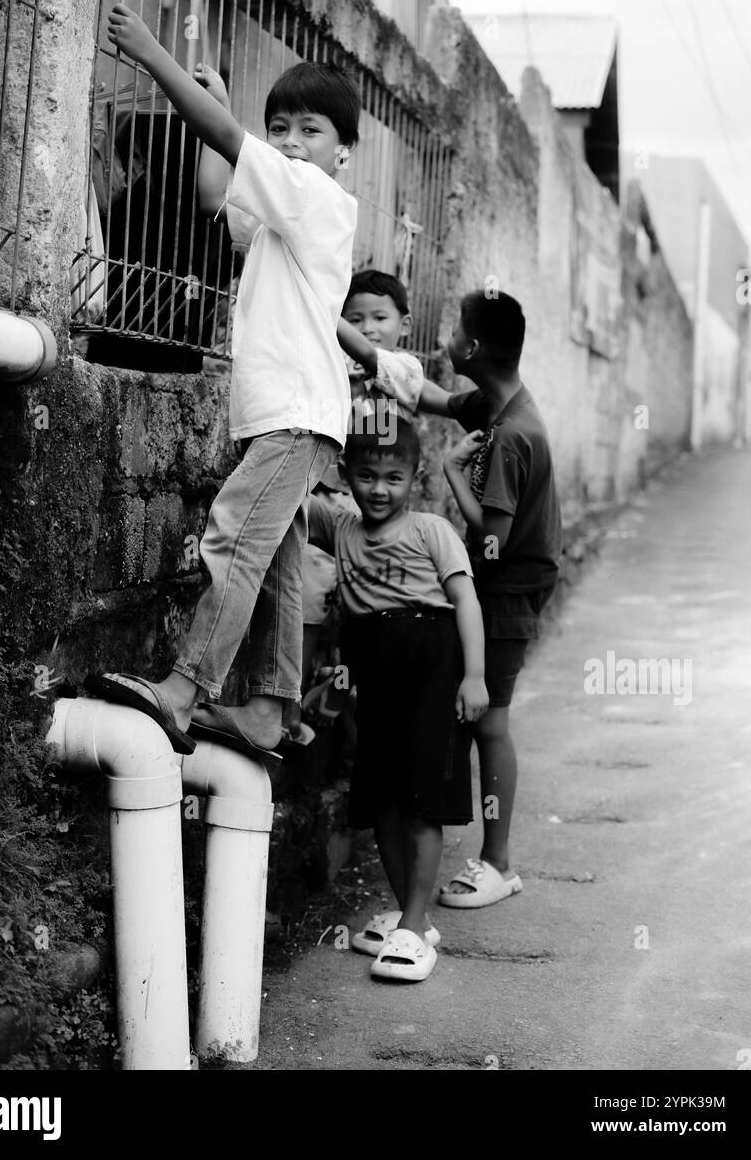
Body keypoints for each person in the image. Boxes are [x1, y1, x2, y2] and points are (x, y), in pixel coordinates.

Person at [86, 2, 359, 757]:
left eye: (313, 131)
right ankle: (271, 708)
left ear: (345, 154)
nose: (293, 143)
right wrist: (221, 98)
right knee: (274, 566)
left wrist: (153, 58)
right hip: (291, 414)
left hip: (297, 413)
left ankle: (184, 690)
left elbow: (223, 139)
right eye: (283, 128)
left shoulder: (318, 199)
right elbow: (216, 191)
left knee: (233, 538)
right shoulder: (280, 215)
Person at [309, 420, 489, 981]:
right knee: (381, 797)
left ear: (415, 477)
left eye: (393, 477)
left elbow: (466, 602)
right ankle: (410, 915)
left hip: (433, 666)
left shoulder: (432, 529)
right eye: (366, 476)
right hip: (374, 673)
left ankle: (414, 924)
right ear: (346, 477)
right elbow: (289, 485)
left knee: (421, 798)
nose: (380, 489)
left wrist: (475, 678)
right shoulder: (338, 527)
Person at [419, 289, 562, 908]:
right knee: (480, 716)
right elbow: (434, 397)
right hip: (501, 585)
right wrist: (361, 347)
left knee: (492, 722)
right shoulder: (498, 404)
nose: (447, 338)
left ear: (471, 348)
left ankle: (498, 862)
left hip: (508, 587)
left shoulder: (510, 436)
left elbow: (494, 539)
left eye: (454, 330)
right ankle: (491, 854)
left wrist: (451, 475)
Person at [289, 269, 425, 744]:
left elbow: (371, 356)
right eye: (355, 318)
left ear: (404, 324)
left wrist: (323, 308)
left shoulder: (403, 369)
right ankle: (293, 701)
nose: (368, 328)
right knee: (306, 599)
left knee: (364, 621)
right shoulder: (329, 367)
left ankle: (353, 722)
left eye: (379, 317)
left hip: (377, 514)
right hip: (325, 508)